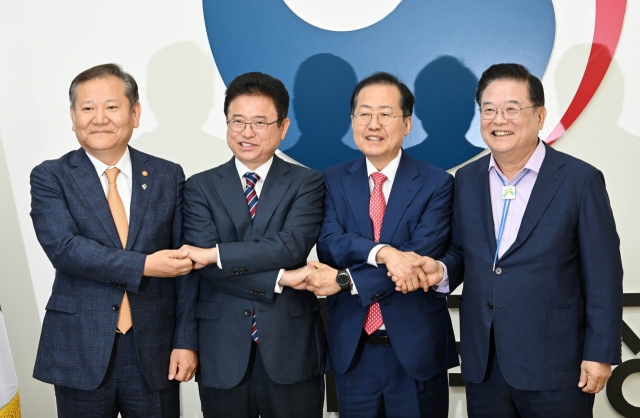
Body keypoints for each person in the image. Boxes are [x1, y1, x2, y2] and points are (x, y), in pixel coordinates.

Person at [413, 63, 623, 417]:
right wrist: (440, 270)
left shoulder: (579, 180)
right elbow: (464, 253)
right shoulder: (467, 179)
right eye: (489, 110)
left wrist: (600, 352)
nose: (499, 120)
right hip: (486, 363)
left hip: (556, 365)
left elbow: (603, 274)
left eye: (512, 109)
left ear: (540, 115)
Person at [30, 63, 198, 417]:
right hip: (81, 346)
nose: (99, 118)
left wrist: (185, 340)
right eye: (87, 108)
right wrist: (145, 265)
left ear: (134, 113)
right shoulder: (51, 176)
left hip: (154, 347)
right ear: (73, 116)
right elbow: (65, 249)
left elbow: (186, 268)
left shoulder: (168, 175)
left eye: (111, 107)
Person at [304, 72, 458, 418]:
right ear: (352, 121)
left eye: (385, 114)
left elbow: (421, 256)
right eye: (364, 113)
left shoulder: (437, 183)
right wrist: (384, 252)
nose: (373, 124)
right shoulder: (330, 180)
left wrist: (348, 280)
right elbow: (330, 244)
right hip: (353, 349)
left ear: (406, 123)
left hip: (417, 349)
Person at [182, 72, 329, 418]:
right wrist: (280, 279)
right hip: (221, 348)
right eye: (238, 121)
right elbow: (204, 268)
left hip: (292, 346)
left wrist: (218, 254)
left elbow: (291, 247)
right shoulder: (198, 187)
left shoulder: (308, 182)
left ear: (283, 126)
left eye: (259, 122)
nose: (247, 132)